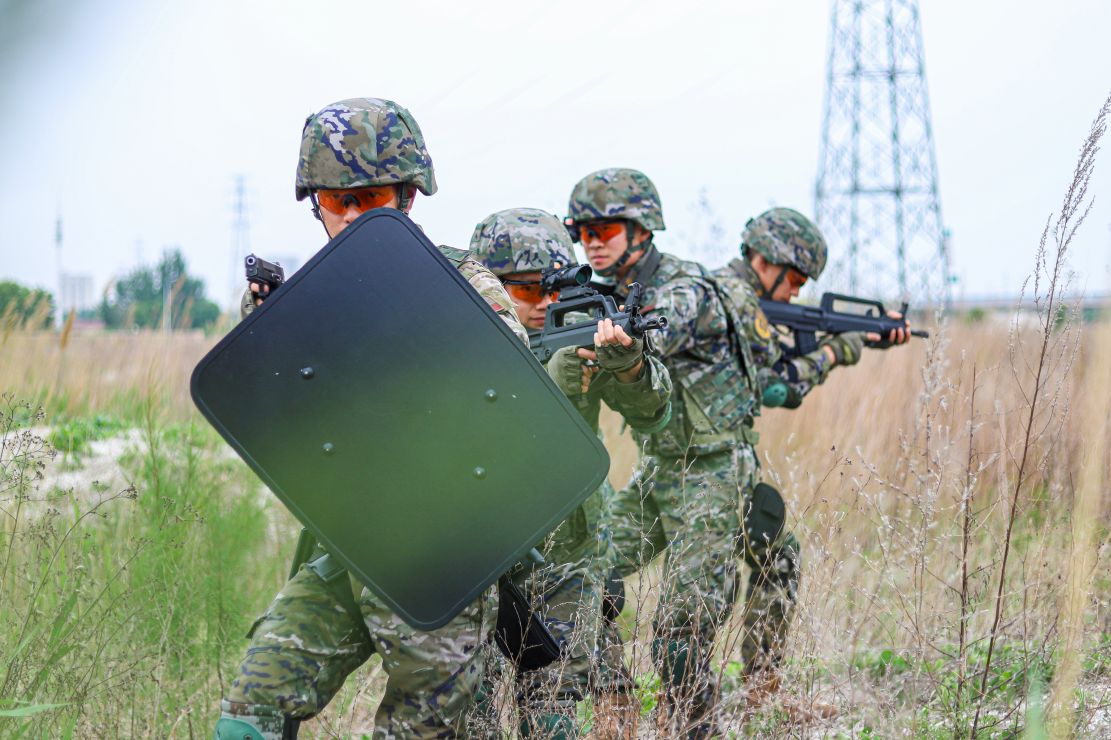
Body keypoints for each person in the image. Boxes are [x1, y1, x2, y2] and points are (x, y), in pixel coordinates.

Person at [215, 97, 528, 740]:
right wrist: (270, 337)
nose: (356, 215)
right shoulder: (307, 297)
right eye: (339, 201)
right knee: (250, 711)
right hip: (351, 542)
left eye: (373, 198)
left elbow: (508, 398)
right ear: (317, 206)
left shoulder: (463, 282)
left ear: (408, 197)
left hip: (439, 554)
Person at [564, 168, 774, 737]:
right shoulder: (601, 291)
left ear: (642, 230)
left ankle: (692, 726)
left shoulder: (685, 287)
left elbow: (660, 330)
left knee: (682, 630)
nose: (592, 242)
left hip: (713, 471)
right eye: (582, 232)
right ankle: (616, 702)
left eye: (605, 230)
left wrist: (619, 339)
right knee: (583, 579)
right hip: (660, 468)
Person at [469, 207, 671, 739]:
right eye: (524, 290)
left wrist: (629, 367)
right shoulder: (458, 343)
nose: (543, 304)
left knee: (554, 704)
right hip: (479, 555)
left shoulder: (576, 336)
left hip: (567, 553)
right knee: (472, 712)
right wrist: (546, 389)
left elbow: (653, 412)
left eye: (554, 289)